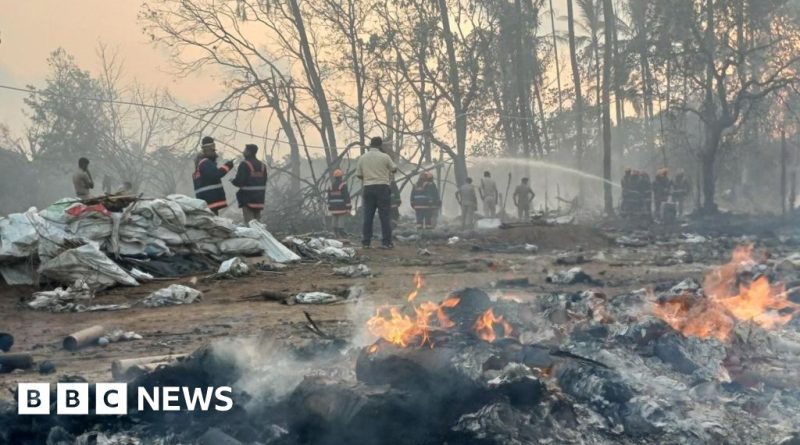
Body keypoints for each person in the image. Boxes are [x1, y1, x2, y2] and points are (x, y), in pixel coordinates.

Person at [356, 136, 397, 249]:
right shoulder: (385, 156)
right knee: (384, 216)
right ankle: (386, 242)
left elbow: (359, 175)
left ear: (370, 144)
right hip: (382, 188)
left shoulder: (363, 158)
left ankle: (366, 242)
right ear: (380, 145)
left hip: (368, 188)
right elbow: (394, 169)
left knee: (368, 216)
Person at [193, 136, 234, 215]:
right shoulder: (205, 163)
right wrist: (228, 166)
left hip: (207, 201)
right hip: (210, 200)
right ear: (207, 149)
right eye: (213, 150)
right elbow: (216, 174)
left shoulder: (200, 164)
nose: (215, 154)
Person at [231, 143, 267, 224]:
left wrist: (233, 181)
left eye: (245, 150)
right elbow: (264, 182)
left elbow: (239, 182)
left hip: (247, 199)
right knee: (258, 224)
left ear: (249, 152)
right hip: (259, 200)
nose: (243, 152)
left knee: (250, 224)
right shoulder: (263, 166)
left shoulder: (244, 164)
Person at [327, 169, 352, 237]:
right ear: (341, 177)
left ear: (334, 177)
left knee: (334, 218)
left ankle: (335, 233)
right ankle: (341, 232)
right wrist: (349, 207)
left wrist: (329, 206)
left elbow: (329, 197)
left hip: (333, 206)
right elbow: (346, 197)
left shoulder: (330, 186)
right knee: (341, 218)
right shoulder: (343, 185)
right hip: (341, 206)